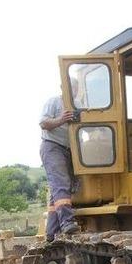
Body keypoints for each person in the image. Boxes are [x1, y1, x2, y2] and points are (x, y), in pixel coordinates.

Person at [39, 90, 80, 241]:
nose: (74, 90)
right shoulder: (54, 102)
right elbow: (44, 123)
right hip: (53, 146)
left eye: (76, 88)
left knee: (58, 190)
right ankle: (67, 222)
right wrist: (61, 119)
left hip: (70, 149)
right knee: (61, 183)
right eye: (71, 87)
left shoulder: (78, 105)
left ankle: (52, 232)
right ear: (63, 87)